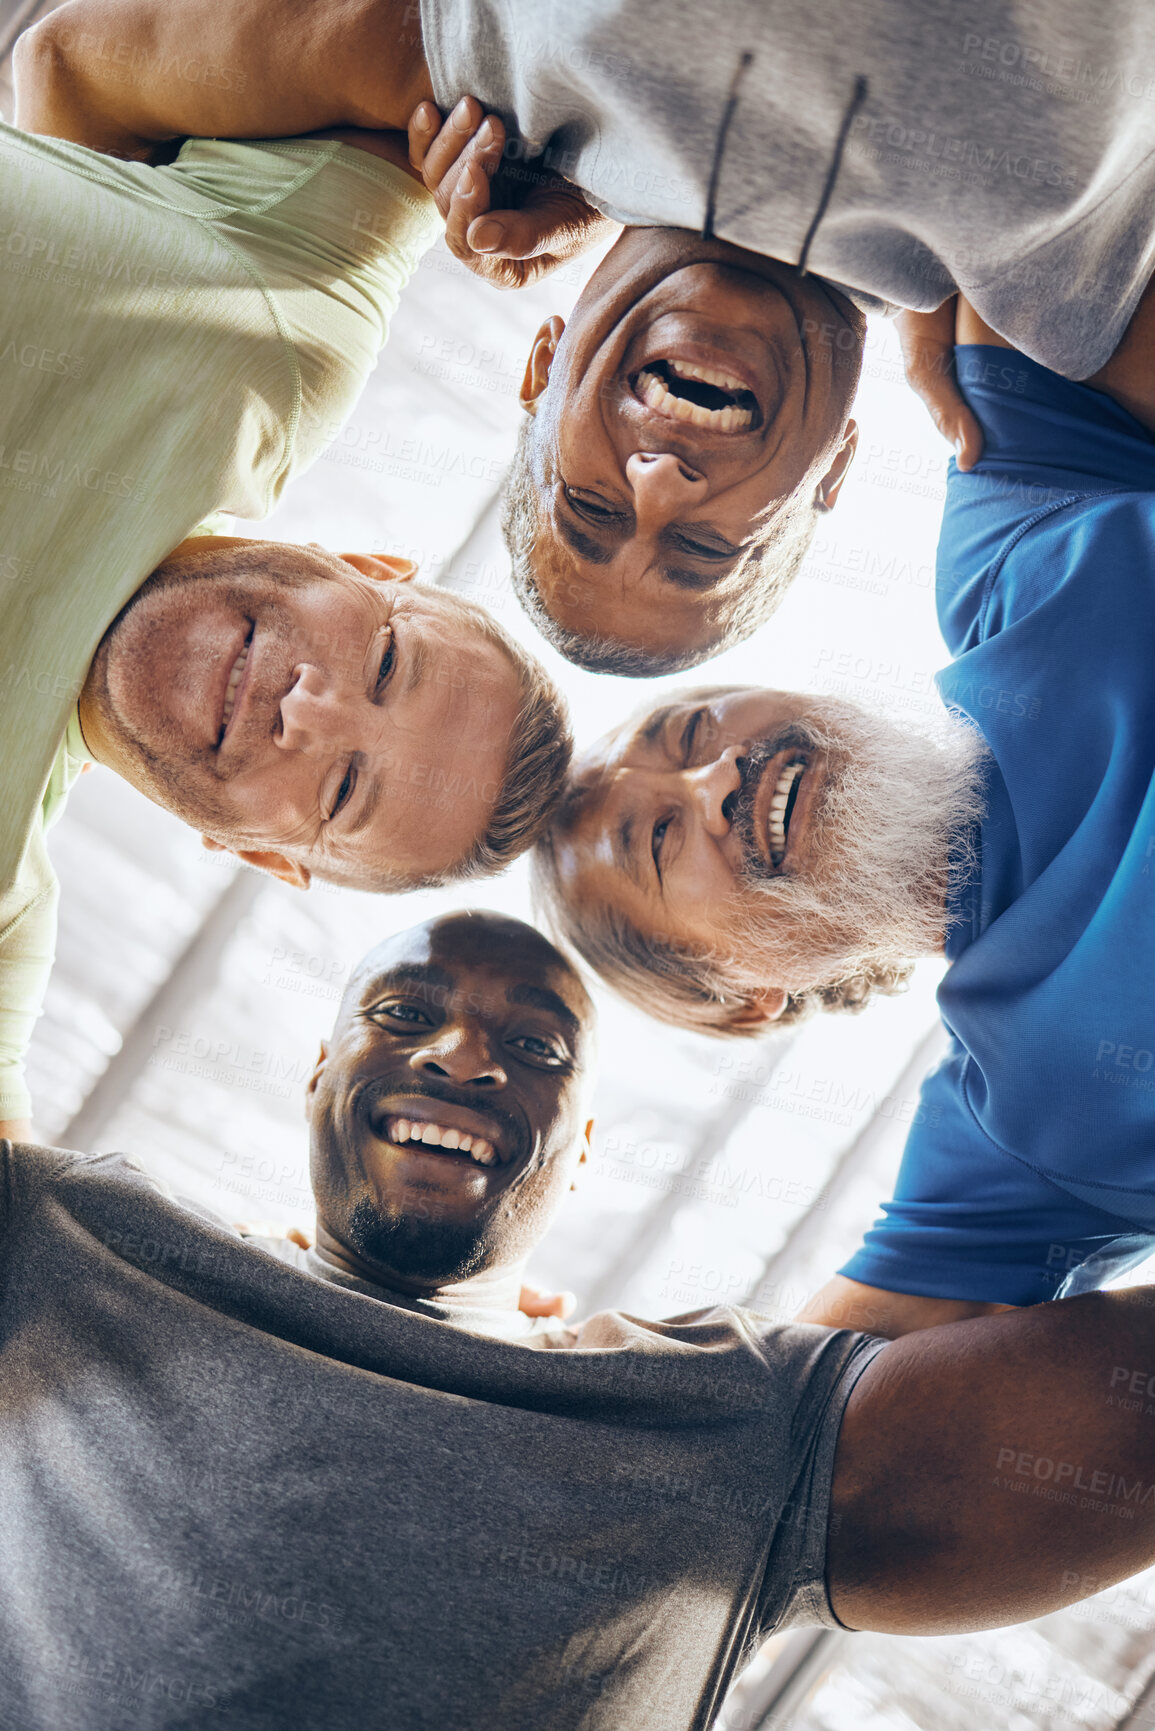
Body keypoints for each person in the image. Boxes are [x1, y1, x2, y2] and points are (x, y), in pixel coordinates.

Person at [7, 906, 1155, 1730]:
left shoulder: (723, 1417)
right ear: (320, 1073)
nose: (460, 1056)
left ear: (582, 1151)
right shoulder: (78, 1242)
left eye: (534, 1048)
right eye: (405, 1010)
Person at [18, 0, 1155, 672]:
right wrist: (958, 300)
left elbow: (68, 66)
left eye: (593, 506)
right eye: (705, 549)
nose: (659, 484)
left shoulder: (472, 83)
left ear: (541, 364)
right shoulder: (1065, 295)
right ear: (836, 472)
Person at [534, 299, 1155, 1330]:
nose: (719, 779)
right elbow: (779, 1401)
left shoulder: (1004, 566)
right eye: (659, 841)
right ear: (742, 995)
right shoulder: (1014, 1137)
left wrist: (927, 282)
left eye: (691, 732)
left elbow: (1029, 233)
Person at [0, 104, 571, 1140]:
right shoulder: (285, 324)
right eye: (388, 662)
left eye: (344, 785)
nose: (308, 709)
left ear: (259, 853)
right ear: (368, 565)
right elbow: (435, 60)